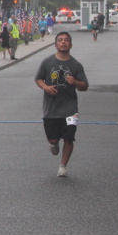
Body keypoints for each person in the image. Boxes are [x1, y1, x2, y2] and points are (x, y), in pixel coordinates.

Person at [34, 31, 89, 177]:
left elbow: (84, 86)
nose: (63, 42)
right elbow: (38, 79)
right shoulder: (47, 62)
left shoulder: (76, 65)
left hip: (70, 109)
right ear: (55, 44)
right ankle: (53, 143)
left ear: (70, 44)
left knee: (69, 138)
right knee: (53, 138)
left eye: (66, 40)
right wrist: (45, 87)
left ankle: (63, 166)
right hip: (51, 108)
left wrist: (75, 82)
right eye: (60, 40)